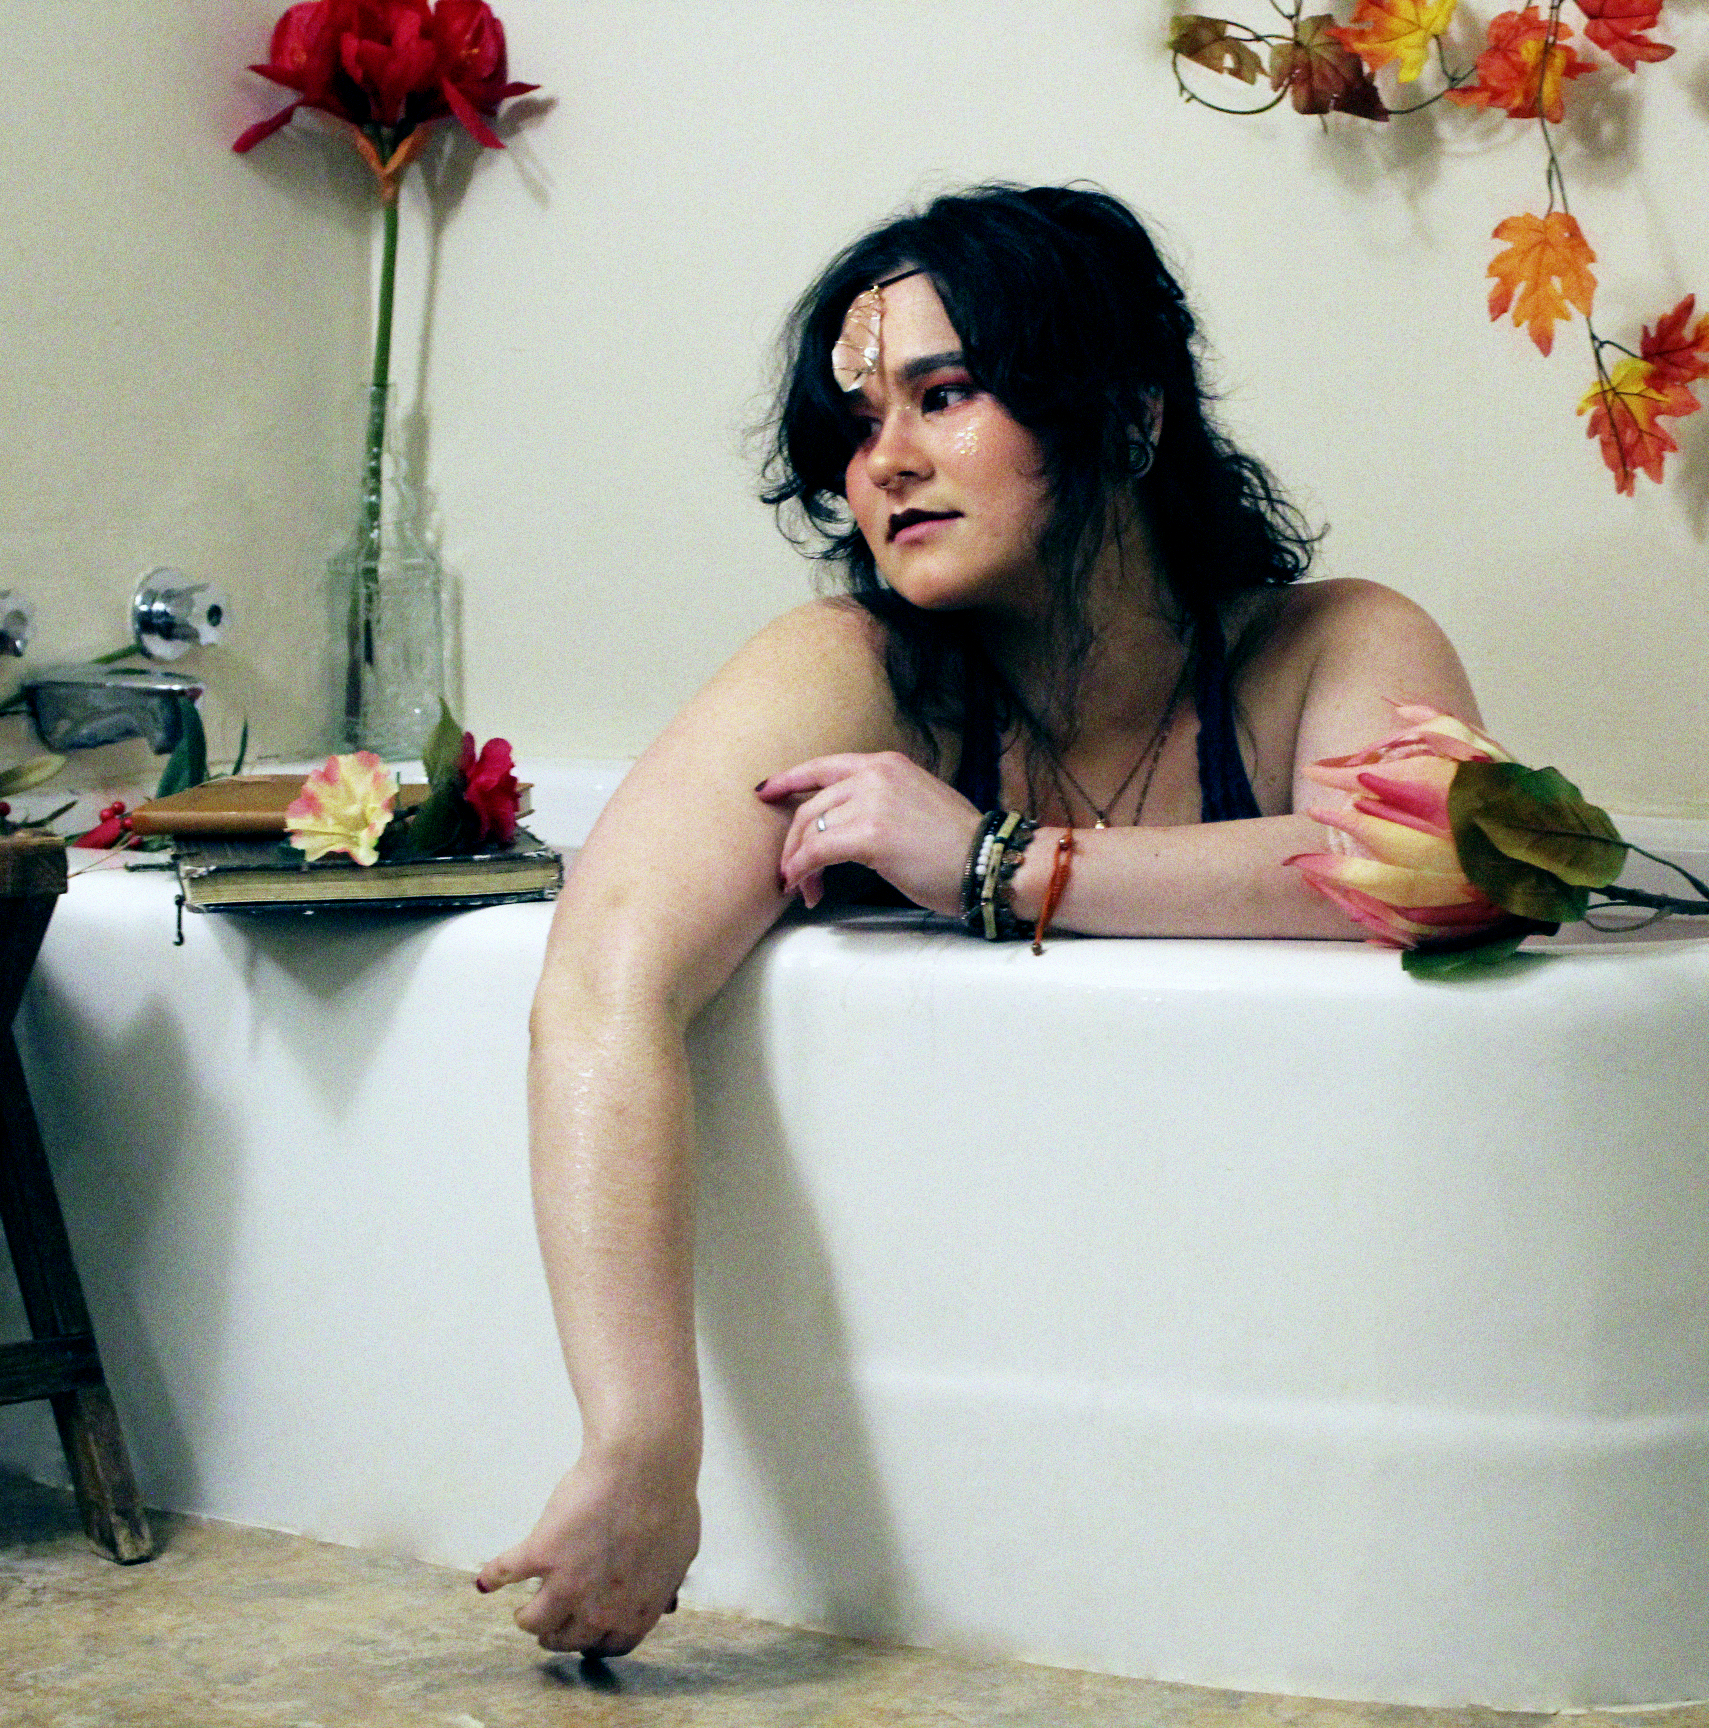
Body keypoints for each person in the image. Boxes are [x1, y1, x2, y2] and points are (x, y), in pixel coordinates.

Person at [473, 184, 1478, 1655]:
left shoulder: (1325, 645)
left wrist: (994, 863)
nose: (885, 461)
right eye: (858, 423)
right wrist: (642, 1443)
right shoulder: (856, 670)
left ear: (1126, 420)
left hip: (1307, 1412)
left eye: (945, 396)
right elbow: (601, 980)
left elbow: (1437, 863)